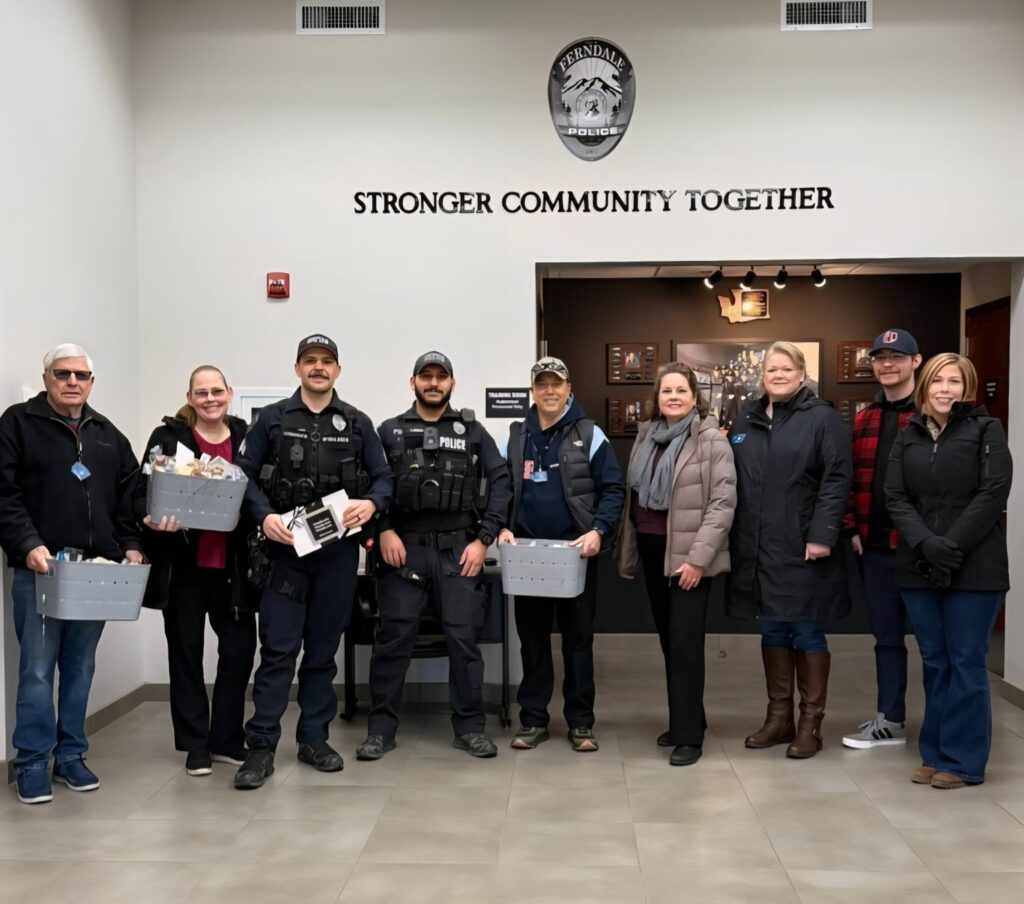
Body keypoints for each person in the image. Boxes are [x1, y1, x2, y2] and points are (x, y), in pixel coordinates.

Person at [232, 334, 392, 790]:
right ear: (298, 368)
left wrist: (371, 506)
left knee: (322, 656)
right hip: (284, 555)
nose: (318, 368)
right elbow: (242, 476)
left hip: (337, 556)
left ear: (337, 371)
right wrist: (263, 518)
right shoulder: (272, 420)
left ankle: (314, 740)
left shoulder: (358, 423)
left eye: (326, 362)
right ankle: (260, 747)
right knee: (278, 653)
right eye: (310, 361)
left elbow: (384, 479)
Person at [0, 343, 144, 804]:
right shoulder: (18, 424)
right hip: (42, 569)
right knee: (38, 671)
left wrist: (133, 546)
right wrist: (27, 545)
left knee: (80, 666)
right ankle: (30, 764)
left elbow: (129, 499)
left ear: (91, 381)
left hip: (95, 572)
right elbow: (4, 494)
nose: (72, 382)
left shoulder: (106, 434)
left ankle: (70, 757)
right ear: (46, 378)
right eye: (62, 373)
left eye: (81, 375)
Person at [356, 351, 512, 760]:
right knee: (392, 642)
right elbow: (369, 485)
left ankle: (470, 727)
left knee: (464, 643)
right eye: (425, 376)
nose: (433, 383)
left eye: (441, 377)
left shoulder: (473, 431)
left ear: (451, 384)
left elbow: (501, 481)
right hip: (403, 550)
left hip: (459, 551)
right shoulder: (389, 431)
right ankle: (380, 730)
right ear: (413, 383)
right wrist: (382, 530)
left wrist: (484, 539)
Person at [885, 353, 1011, 789]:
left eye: (954, 382)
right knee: (936, 661)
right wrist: (927, 543)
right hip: (920, 564)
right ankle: (934, 753)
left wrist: (950, 544)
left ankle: (964, 762)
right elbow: (895, 495)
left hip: (974, 566)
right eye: (938, 381)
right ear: (925, 386)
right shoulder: (909, 433)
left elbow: (993, 492)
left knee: (966, 662)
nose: (944, 389)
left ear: (967, 387)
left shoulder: (986, 429)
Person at [727, 341, 852, 759]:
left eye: (785, 369)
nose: (777, 375)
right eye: (770, 369)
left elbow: (836, 480)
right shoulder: (744, 419)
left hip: (802, 545)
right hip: (757, 545)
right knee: (772, 628)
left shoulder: (823, 420)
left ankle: (809, 725)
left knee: (806, 630)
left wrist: (822, 535)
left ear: (801, 374)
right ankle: (777, 719)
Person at [136, 365, 257, 776]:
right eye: (201, 392)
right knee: (185, 653)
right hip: (184, 566)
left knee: (239, 652)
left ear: (229, 393)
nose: (209, 399)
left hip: (233, 567)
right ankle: (195, 745)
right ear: (190, 397)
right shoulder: (167, 437)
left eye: (216, 391)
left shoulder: (246, 438)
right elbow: (142, 490)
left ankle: (226, 739)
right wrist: (151, 518)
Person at [499, 356, 624, 752]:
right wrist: (502, 525)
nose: (549, 391)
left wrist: (598, 531)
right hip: (528, 555)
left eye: (557, 383)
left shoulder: (590, 434)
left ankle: (581, 723)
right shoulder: (516, 436)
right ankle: (533, 720)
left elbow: (614, 490)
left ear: (569, 388)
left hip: (576, 555)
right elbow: (502, 491)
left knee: (578, 641)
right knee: (532, 643)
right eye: (542, 384)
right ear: (532, 391)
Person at [616, 363, 736, 766]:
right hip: (652, 551)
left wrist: (698, 560)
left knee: (686, 643)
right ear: (657, 397)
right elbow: (634, 496)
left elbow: (722, 505)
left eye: (680, 391)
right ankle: (689, 720)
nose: (673, 397)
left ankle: (689, 739)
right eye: (666, 391)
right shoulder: (647, 437)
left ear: (694, 396)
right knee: (671, 641)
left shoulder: (711, 441)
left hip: (688, 557)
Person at [841, 329, 922, 749]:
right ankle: (890, 720)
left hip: (921, 551)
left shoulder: (930, 415)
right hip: (874, 550)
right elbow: (849, 480)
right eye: (880, 357)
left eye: (896, 357)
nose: (887, 364)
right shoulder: (864, 419)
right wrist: (851, 527)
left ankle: (944, 727)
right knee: (886, 640)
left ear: (916, 361)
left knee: (935, 644)